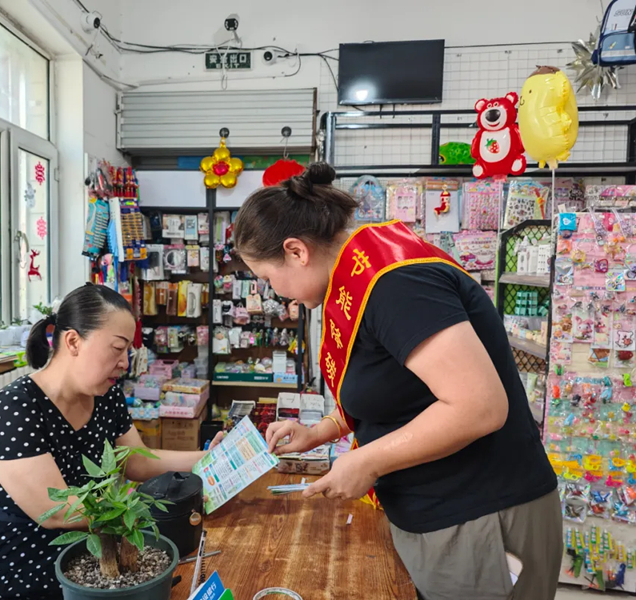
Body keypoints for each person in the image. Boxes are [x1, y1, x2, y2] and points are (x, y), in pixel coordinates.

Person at [232, 163, 561, 600]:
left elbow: (479, 406)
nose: (276, 292)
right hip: (440, 515)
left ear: (296, 251)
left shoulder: (395, 283)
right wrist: (320, 432)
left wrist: (367, 462)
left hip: (480, 516)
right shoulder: (357, 277)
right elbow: (397, 390)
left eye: (267, 278)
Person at [0, 284, 223, 600]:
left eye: (128, 351)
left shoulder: (106, 396)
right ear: (73, 341)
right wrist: (143, 514)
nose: (125, 363)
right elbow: (58, 511)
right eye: (118, 348)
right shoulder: (14, 409)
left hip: (87, 558)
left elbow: (137, 460)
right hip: (9, 569)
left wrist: (212, 457)